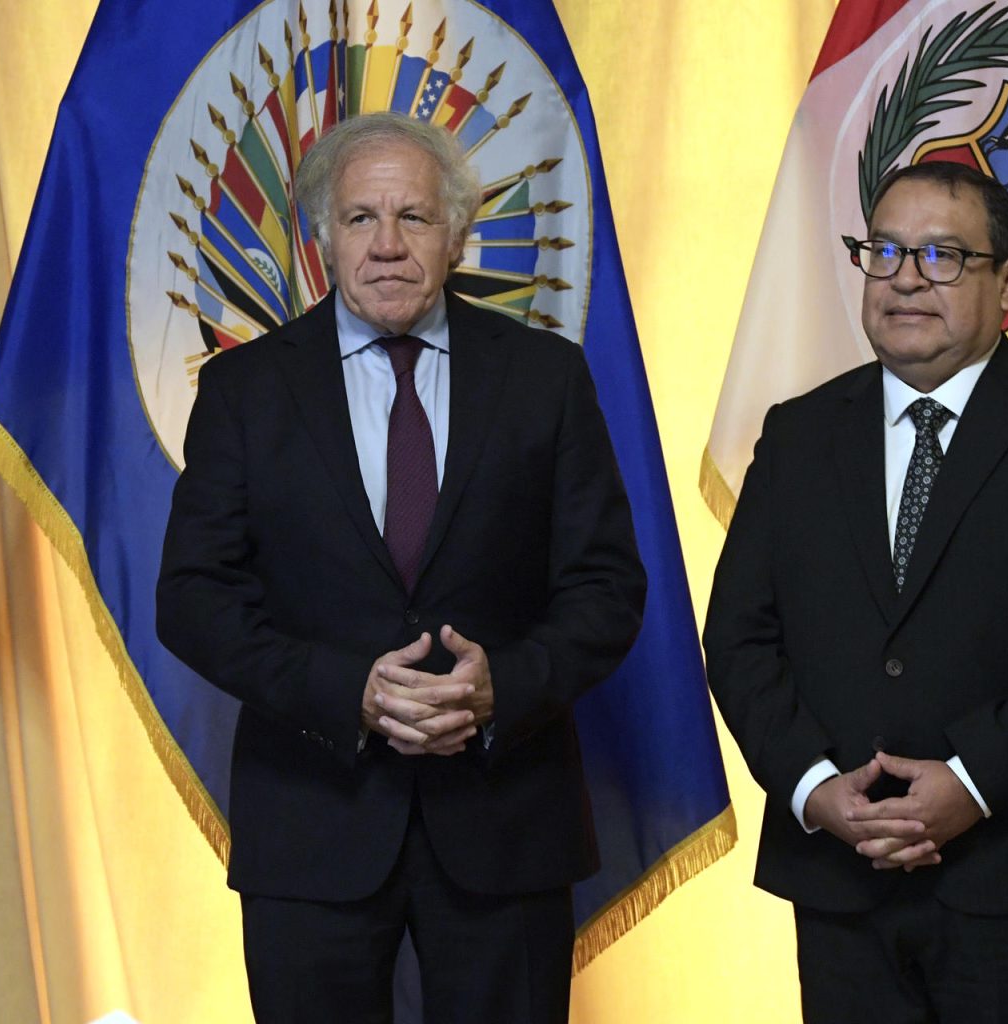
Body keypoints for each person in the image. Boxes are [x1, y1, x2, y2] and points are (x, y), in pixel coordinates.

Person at [156, 111, 645, 1024]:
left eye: (414, 218)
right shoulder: (243, 391)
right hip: (313, 823)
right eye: (360, 219)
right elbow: (192, 599)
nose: (387, 245)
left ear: (457, 235)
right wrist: (351, 692)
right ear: (320, 240)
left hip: (506, 824)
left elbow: (608, 588)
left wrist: (501, 687)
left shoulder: (548, 379)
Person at [703, 160, 1008, 1023]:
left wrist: (972, 781)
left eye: (943, 256)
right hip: (841, 880)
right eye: (885, 251)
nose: (906, 278)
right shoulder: (798, 434)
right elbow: (737, 637)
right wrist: (811, 788)